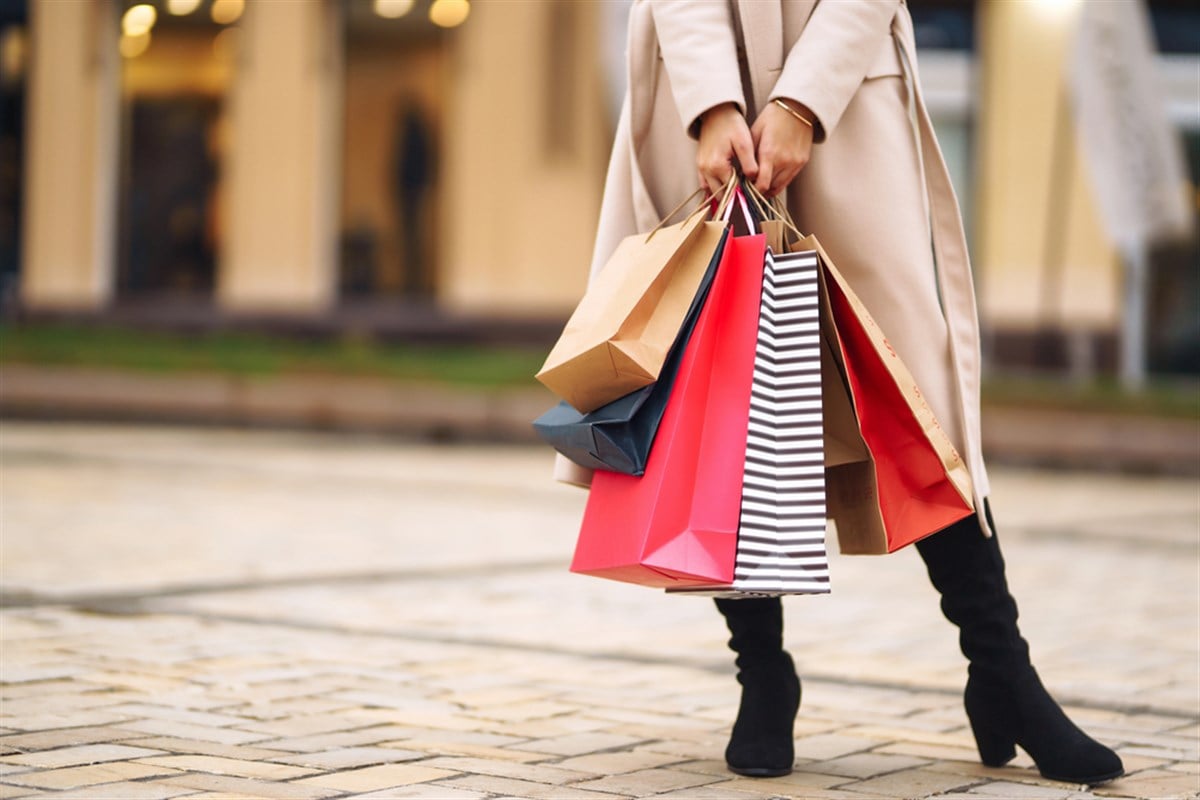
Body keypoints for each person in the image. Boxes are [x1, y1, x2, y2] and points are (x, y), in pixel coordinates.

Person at [577, 0, 1125, 786]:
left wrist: (804, 99)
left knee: (916, 396)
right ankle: (763, 673)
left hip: (847, 88)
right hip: (701, 88)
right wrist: (711, 100)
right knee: (718, 388)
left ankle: (1002, 673)